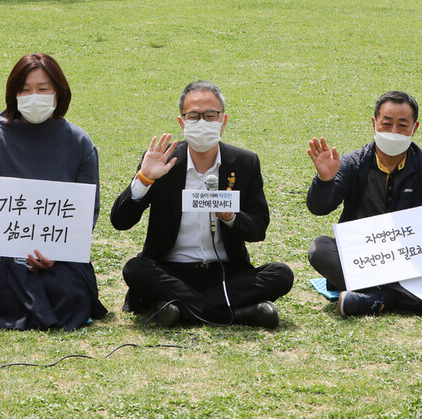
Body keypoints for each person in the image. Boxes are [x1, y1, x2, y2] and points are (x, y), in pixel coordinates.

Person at [111, 80, 293, 328]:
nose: (203, 122)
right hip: (170, 271)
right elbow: (120, 221)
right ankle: (239, 314)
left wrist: (231, 217)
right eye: (194, 116)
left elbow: (258, 228)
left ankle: (178, 309)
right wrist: (145, 179)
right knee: (135, 268)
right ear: (181, 122)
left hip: (225, 273)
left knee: (281, 274)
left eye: (210, 115)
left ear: (223, 121)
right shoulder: (162, 162)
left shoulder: (244, 162)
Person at [0, 53, 107, 330]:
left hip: (59, 250)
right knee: (5, 278)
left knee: (71, 292)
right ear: (14, 94)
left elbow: (88, 212)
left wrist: (58, 252)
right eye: (25, 90)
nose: (33, 96)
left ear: (58, 93)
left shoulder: (79, 141)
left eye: (42, 89)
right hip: (5, 249)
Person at [306, 91, 422, 317]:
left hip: (413, 260)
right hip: (365, 257)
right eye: (387, 123)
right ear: (374, 124)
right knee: (320, 248)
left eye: (402, 125)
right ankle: (399, 296)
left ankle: (375, 296)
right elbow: (319, 208)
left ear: (415, 128)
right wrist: (325, 181)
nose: (394, 132)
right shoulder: (353, 163)